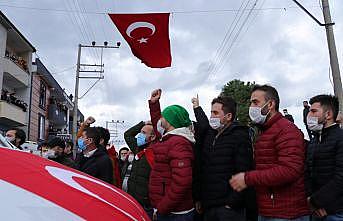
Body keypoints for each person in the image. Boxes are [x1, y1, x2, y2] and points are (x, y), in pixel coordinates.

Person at [230, 84, 309, 221]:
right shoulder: (265, 131)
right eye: (251, 103)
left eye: (255, 102)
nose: (251, 108)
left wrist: (248, 178)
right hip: (269, 209)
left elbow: (290, 170)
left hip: (286, 213)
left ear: (271, 104)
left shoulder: (286, 130)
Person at [192, 95, 253, 221]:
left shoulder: (239, 136)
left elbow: (245, 171)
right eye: (211, 113)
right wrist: (199, 198)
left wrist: (232, 203)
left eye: (215, 113)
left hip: (229, 210)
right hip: (208, 206)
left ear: (228, 116)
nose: (212, 117)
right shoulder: (210, 136)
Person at [148, 89, 195, 221]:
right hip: (168, 209)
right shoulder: (169, 139)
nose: (160, 119)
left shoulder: (178, 143)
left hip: (176, 213)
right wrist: (154, 104)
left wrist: (162, 207)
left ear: (169, 121)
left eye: (163, 116)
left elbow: (182, 182)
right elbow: (158, 124)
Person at [305, 95, 343, 221]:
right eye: (309, 110)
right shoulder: (314, 140)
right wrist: (312, 201)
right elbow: (308, 172)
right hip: (317, 210)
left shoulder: (340, 138)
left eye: (314, 111)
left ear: (328, 114)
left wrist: (315, 201)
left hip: (337, 211)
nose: (309, 115)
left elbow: (340, 178)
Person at [124, 120, 156, 216]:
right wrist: (143, 124)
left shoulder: (156, 152)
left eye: (144, 133)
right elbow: (128, 135)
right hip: (132, 199)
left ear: (152, 137)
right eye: (140, 132)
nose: (140, 135)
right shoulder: (138, 148)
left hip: (147, 204)